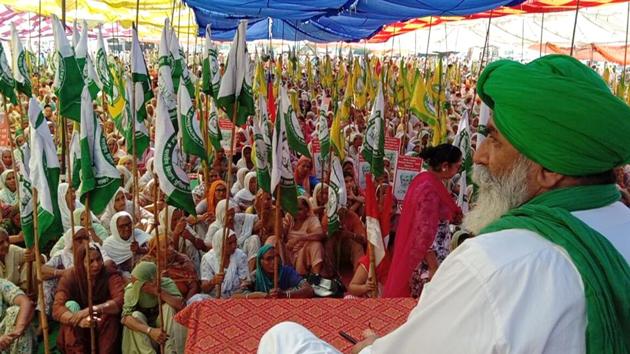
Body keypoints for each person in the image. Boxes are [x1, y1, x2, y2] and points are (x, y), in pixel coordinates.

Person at [260, 55, 630, 354]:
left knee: (281, 336)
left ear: (548, 169)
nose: (479, 156)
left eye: (495, 141)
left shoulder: (495, 265)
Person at [383, 144, 463, 298]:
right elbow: (424, 231)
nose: (457, 171)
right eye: (457, 167)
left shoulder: (428, 180)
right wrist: (433, 267)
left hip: (430, 257)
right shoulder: (429, 189)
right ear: (445, 166)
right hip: (428, 263)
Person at [53, 244, 125, 353]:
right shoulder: (70, 276)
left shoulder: (108, 272)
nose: (96, 265)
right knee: (70, 307)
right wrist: (78, 320)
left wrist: (92, 309)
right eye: (90, 261)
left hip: (101, 321)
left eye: (99, 259)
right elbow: (57, 308)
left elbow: (120, 300)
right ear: (80, 263)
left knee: (110, 317)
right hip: (79, 324)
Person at [121, 261, 186, 354]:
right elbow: (125, 319)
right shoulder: (131, 289)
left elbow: (181, 306)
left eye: (138, 282)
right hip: (146, 333)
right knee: (135, 316)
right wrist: (150, 331)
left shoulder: (166, 283)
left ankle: (171, 351)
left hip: (166, 332)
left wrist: (158, 292)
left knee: (168, 308)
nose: (135, 284)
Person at [236, 245, 314, 299]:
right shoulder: (255, 276)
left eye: (276, 257)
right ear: (260, 262)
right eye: (269, 259)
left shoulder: (287, 272)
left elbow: (309, 290)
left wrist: (285, 294)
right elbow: (235, 296)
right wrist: (255, 296)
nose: (274, 262)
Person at [143, 234, 199, 302]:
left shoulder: (183, 260)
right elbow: (144, 287)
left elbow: (194, 285)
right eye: (165, 247)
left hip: (185, 302)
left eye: (171, 244)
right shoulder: (148, 263)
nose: (171, 248)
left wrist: (187, 305)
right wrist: (161, 280)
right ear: (155, 250)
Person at [197, 229, 248, 299]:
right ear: (220, 244)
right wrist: (213, 281)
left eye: (235, 242)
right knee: (198, 299)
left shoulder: (240, 255)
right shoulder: (208, 258)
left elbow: (244, 281)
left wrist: (243, 286)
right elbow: (205, 288)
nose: (234, 246)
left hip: (237, 297)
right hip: (214, 298)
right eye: (230, 243)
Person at [283, 197, 326, 276]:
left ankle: (316, 276)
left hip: (302, 254)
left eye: (300, 209)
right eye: (294, 208)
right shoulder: (289, 217)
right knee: (273, 239)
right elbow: (281, 234)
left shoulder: (312, 219)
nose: (296, 212)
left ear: (307, 209)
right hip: (287, 253)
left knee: (316, 244)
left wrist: (299, 239)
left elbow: (320, 234)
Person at [102, 211, 151, 277]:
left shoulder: (138, 233)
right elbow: (110, 268)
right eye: (122, 226)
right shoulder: (108, 245)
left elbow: (154, 248)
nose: (127, 228)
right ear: (115, 228)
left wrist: (140, 250)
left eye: (128, 224)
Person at [0, 278, 35, 354]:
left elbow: (25, 302)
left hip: (6, 337)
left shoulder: (1, 284)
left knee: (17, 312)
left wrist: (18, 330)